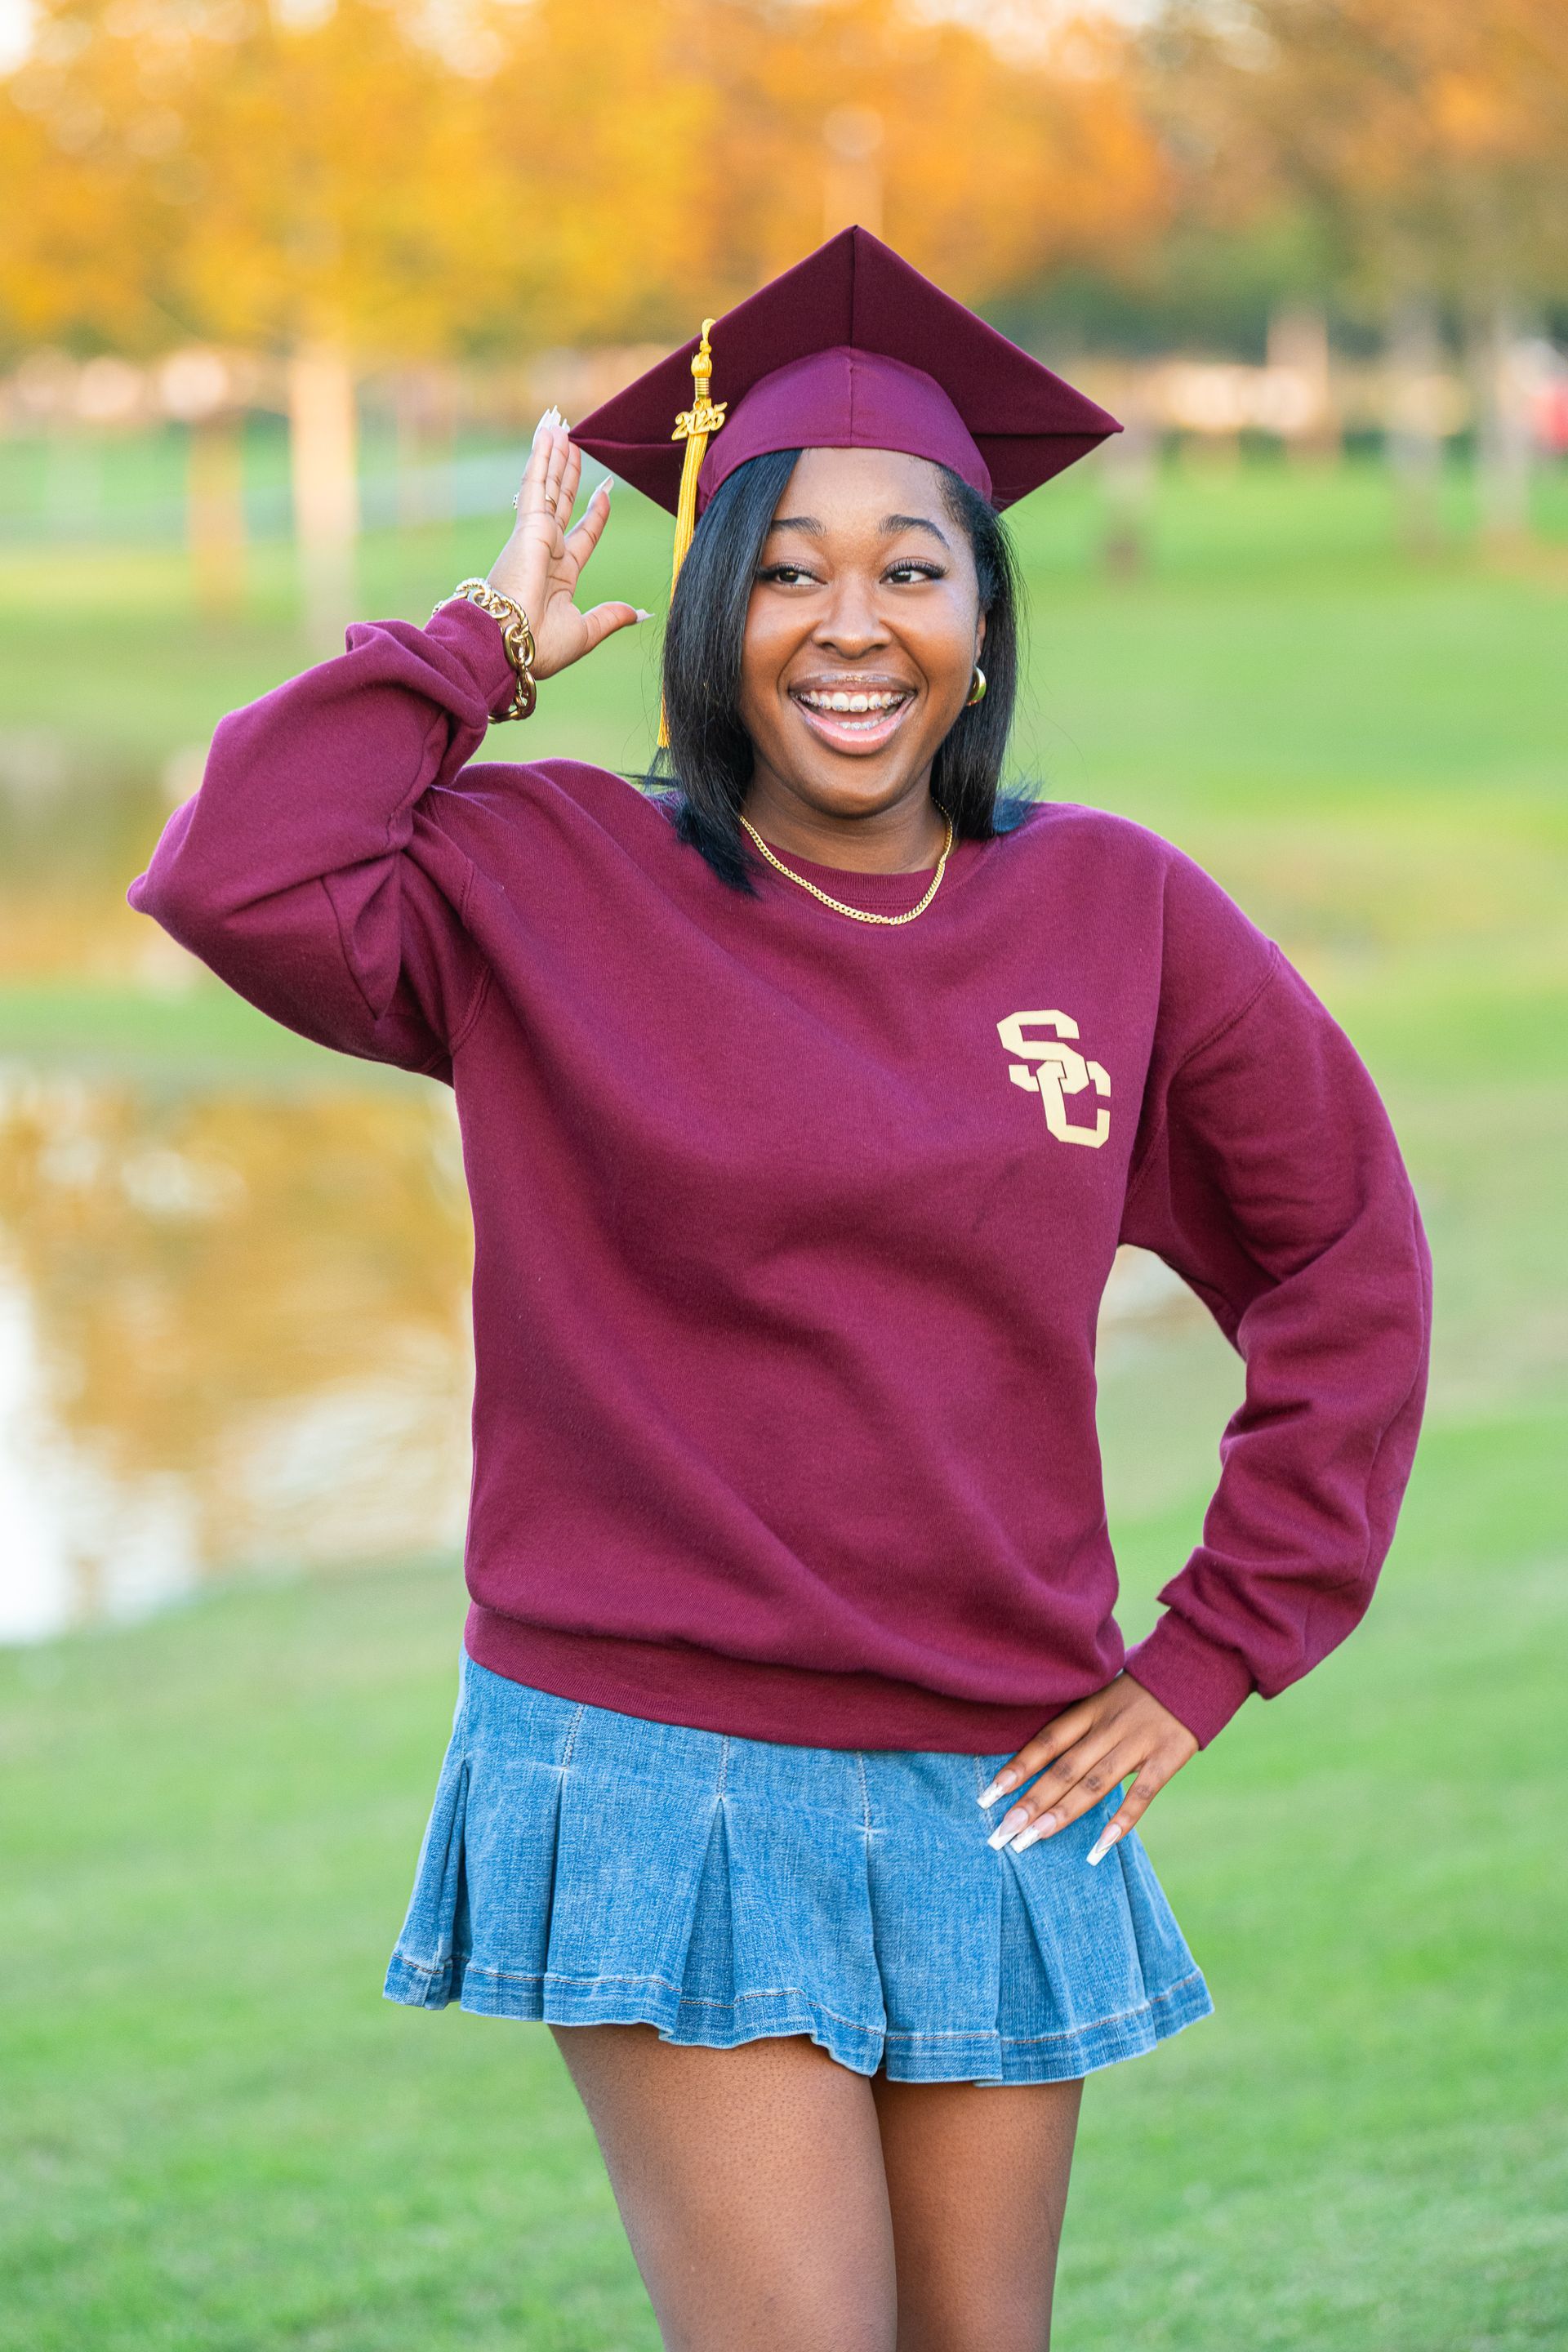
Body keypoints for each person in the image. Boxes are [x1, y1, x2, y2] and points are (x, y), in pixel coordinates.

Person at [127, 227, 1432, 2352]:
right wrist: (475, 646)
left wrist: (1218, 1648)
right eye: (791, 567)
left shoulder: (1116, 914)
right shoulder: (542, 880)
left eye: (913, 567)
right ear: (714, 617)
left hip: (1001, 1760)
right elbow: (236, 871)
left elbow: (1342, 1254)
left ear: (985, 630)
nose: (853, 622)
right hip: (661, 1749)